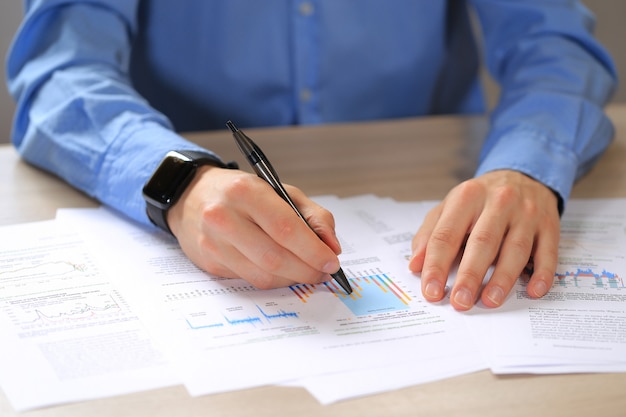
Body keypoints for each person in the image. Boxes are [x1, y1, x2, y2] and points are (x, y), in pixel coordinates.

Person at [6, 1, 617, 311]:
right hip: (189, 175)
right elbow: (59, 69)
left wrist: (528, 164)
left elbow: (554, 45)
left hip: (424, 171)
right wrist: (181, 181)